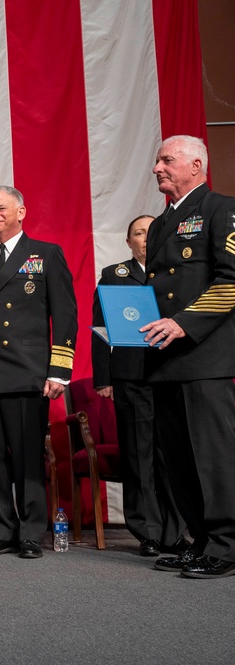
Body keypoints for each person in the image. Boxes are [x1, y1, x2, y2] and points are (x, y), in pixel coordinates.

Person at [0, 185, 77, 559]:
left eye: (1, 208)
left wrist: (59, 371)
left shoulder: (46, 255)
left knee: (27, 458)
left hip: (27, 374)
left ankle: (31, 534)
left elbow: (65, 317)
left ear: (21, 212)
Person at [139, 135, 235, 578]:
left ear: (196, 165)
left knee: (212, 456)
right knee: (178, 459)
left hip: (205, 355)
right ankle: (198, 540)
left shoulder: (221, 209)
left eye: (166, 160)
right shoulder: (160, 224)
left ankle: (227, 545)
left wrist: (184, 322)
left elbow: (231, 282)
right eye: (157, 160)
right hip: (164, 359)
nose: (157, 167)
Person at [92, 214, 186, 557]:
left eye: (151, 232)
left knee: (171, 457)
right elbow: (100, 329)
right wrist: (104, 377)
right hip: (130, 377)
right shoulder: (114, 276)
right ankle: (147, 531)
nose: (145, 238)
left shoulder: (175, 273)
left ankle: (176, 532)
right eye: (138, 233)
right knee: (138, 455)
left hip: (170, 374)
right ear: (128, 241)